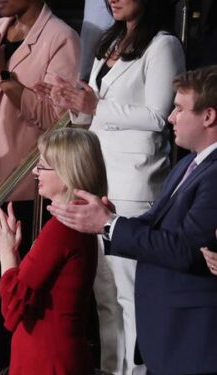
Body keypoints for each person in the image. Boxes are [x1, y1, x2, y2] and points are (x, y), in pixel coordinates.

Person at [47, 65, 217, 374]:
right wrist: (110, 218)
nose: (170, 118)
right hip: (166, 334)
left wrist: (109, 225)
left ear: (208, 116)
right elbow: (153, 221)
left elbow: (186, 250)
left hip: (190, 338)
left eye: (179, 109)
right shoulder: (190, 163)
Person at [46, 1, 185, 373]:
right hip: (99, 178)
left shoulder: (163, 45)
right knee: (104, 295)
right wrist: (72, 103)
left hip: (135, 184)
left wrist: (97, 104)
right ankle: (111, 368)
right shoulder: (110, 41)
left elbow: (159, 117)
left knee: (131, 294)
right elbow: (91, 113)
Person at [0, 0, 80, 367]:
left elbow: (57, 117)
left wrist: (1, 75)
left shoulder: (61, 37)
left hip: (24, 181)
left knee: (14, 287)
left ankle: (13, 364)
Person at [0, 128, 107, 374]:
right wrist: (13, 253)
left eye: (43, 165)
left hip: (47, 361)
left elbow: (12, 308)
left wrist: (5, 253)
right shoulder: (74, 222)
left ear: (68, 171)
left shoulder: (63, 228)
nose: (35, 172)